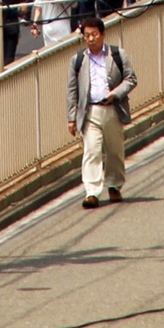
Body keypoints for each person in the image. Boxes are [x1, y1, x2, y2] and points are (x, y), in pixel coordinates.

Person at [66, 16, 137, 207]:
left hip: (112, 109)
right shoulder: (78, 60)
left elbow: (131, 79)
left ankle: (114, 185)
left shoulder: (116, 54)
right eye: (87, 35)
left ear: (103, 34)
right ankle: (92, 192)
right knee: (92, 150)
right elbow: (72, 90)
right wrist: (71, 118)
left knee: (115, 150)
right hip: (90, 111)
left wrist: (116, 94)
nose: (91, 39)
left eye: (94, 34)